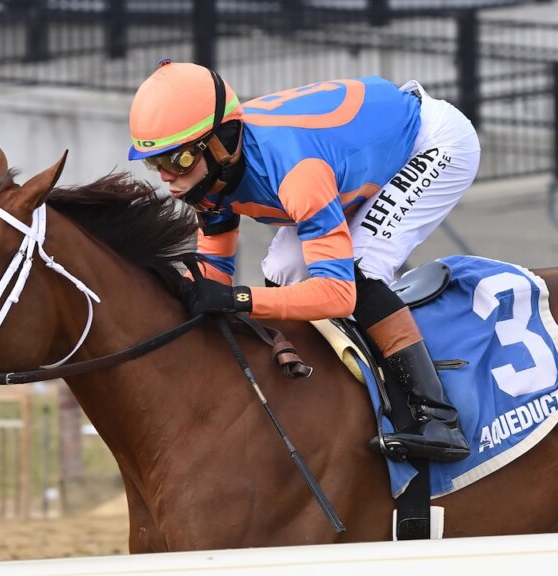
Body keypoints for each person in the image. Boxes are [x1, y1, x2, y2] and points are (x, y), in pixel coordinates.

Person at [128, 60, 481, 463]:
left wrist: (239, 299)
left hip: (432, 143)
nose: (167, 178)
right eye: (155, 164)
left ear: (221, 144)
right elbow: (213, 280)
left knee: (357, 268)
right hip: (350, 158)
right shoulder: (212, 174)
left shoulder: (297, 174)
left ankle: (437, 419)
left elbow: (337, 294)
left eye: (178, 161)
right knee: (282, 269)